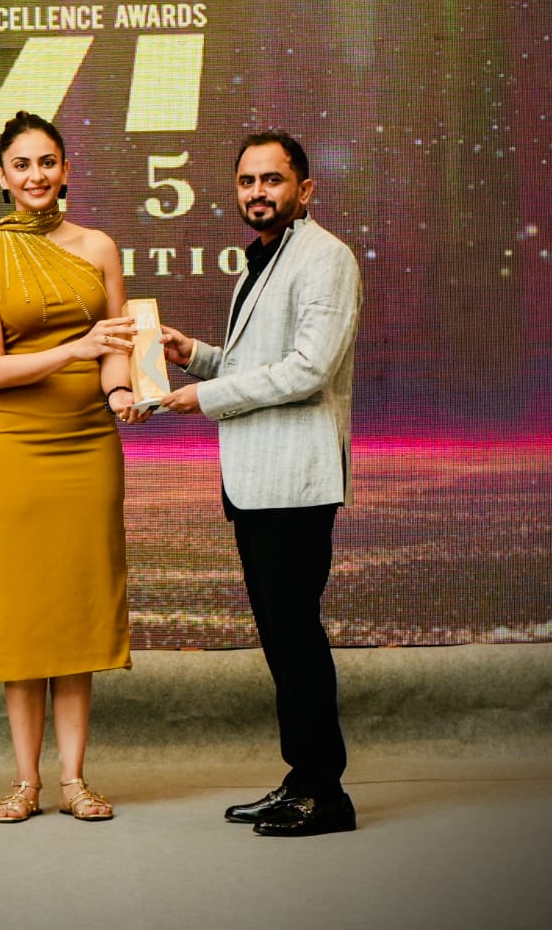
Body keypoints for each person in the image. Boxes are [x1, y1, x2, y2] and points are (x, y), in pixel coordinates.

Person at [160, 131, 362, 838]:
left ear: (304, 189)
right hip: (258, 482)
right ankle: (302, 781)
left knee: (296, 638)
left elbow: (308, 370)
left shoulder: (326, 257)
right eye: (247, 181)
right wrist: (195, 356)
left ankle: (326, 795)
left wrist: (204, 398)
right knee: (282, 639)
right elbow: (259, 365)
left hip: (295, 484)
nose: (257, 192)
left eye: (271, 180)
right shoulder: (264, 260)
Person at [0, 110, 148, 823]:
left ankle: (72, 781)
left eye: (47, 162)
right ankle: (25, 782)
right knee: (25, 613)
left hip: (89, 442)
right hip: (15, 446)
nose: (35, 175)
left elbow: (119, 345)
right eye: (22, 165)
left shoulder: (99, 247)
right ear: (2, 177)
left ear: (66, 169)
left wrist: (121, 392)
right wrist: (77, 349)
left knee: (76, 609)